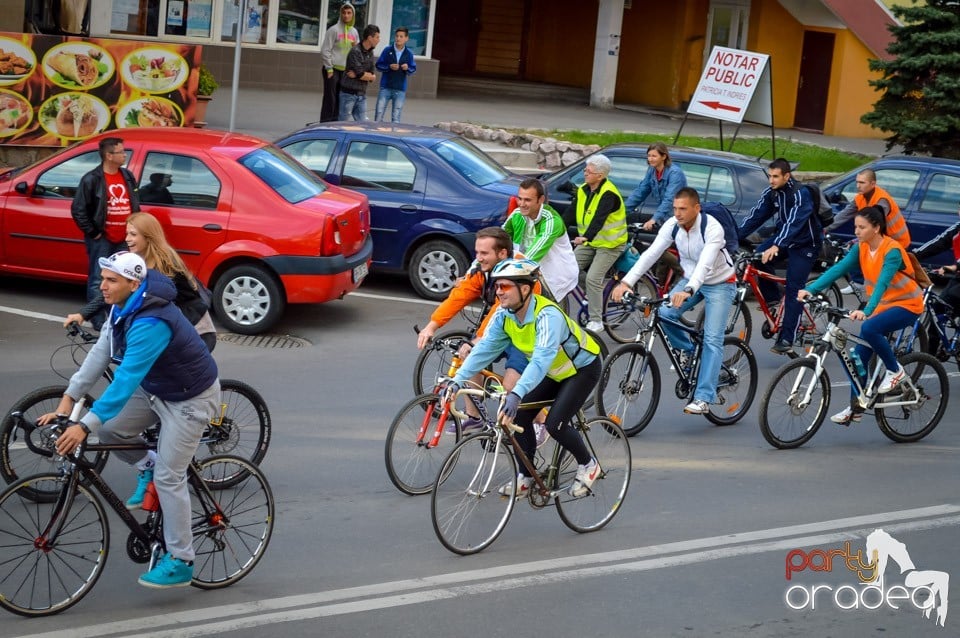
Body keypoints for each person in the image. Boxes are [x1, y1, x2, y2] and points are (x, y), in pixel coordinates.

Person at [40, 251, 220, 588]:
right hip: (157, 388)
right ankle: (147, 463)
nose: (102, 286)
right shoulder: (122, 306)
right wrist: (67, 401)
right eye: (103, 278)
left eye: (111, 280)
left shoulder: (152, 322)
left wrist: (82, 425)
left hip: (190, 398)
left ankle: (181, 559)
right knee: (109, 430)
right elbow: (100, 354)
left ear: (133, 283)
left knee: (170, 477)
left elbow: (124, 382)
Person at [445, 258, 602, 499]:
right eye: (497, 286)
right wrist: (457, 380)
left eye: (505, 286)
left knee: (555, 424)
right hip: (554, 372)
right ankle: (526, 476)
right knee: (518, 415)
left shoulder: (547, 315)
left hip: (582, 369)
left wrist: (517, 393)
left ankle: (589, 464)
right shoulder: (504, 314)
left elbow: (540, 360)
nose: (499, 292)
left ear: (525, 289)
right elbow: (485, 348)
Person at [611, 187, 736, 414]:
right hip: (690, 279)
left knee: (712, 340)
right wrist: (626, 283)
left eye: (683, 209)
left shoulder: (712, 228)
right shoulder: (672, 226)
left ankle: (704, 398)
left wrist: (688, 289)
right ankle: (687, 350)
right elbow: (651, 255)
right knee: (665, 314)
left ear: (696, 209)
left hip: (719, 283)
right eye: (675, 208)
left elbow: (706, 264)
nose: (677, 214)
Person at [799, 206, 923, 425]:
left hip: (907, 304)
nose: (856, 231)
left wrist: (866, 311)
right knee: (857, 358)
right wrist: (812, 289)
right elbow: (838, 270)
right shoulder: (861, 248)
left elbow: (883, 283)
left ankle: (895, 371)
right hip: (882, 306)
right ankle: (856, 407)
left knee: (869, 329)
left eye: (861, 227)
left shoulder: (891, 250)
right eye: (855, 226)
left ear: (876, 228)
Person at [416, 227, 537, 431]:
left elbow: (498, 312)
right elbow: (459, 297)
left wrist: (477, 341)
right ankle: (474, 415)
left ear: (502, 254)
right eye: (477, 252)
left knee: (510, 384)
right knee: (469, 357)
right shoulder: (483, 271)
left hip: (525, 333)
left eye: (484, 253)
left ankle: (539, 422)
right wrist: (431, 326)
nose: (478, 258)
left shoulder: (519, 275)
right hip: (502, 329)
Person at [65, 212, 216, 353]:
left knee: (162, 373)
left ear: (148, 237)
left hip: (197, 330)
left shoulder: (163, 265)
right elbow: (115, 289)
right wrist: (83, 314)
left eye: (133, 234)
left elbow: (134, 297)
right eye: (127, 234)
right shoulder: (138, 260)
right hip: (173, 326)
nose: (127, 239)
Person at [738, 157, 821, 355]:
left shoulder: (801, 194)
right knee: (757, 257)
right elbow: (755, 217)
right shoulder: (772, 194)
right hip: (784, 240)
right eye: (770, 176)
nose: (771, 180)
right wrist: (732, 238)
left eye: (775, 177)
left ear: (787, 175)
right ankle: (774, 301)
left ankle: (787, 337)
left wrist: (777, 244)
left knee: (794, 288)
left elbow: (794, 223)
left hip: (805, 244)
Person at [71, 137, 140, 330]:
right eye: (121, 152)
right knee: (98, 279)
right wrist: (93, 233)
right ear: (109, 156)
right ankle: (98, 320)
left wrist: (134, 229)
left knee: (123, 278)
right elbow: (79, 209)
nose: (125, 155)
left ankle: (118, 315)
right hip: (103, 239)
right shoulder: (92, 179)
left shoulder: (127, 175)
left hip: (124, 238)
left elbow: (134, 202)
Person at [826, 168, 911, 294]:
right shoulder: (860, 197)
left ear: (873, 184)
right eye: (857, 182)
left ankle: (863, 286)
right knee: (853, 250)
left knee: (857, 252)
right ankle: (860, 284)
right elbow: (844, 214)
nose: (858, 186)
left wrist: (856, 240)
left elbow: (875, 224)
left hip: (896, 241)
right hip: (879, 238)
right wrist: (825, 228)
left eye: (862, 183)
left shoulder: (882, 200)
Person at [569, 154, 628, 332]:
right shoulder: (584, 190)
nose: (585, 172)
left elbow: (599, 219)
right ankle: (592, 294)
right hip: (592, 242)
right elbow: (570, 213)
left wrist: (586, 236)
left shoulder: (609, 194)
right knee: (568, 268)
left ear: (600, 176)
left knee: (593, 278)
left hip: (611, 244)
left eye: (589, 170)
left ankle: (596, 321)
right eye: (585, 169)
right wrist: (558, 230)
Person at [502, 178, 578, 303]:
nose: (521, 204)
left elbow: (531, 256)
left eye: (527, 200)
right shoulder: (517, 215)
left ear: (541, 200)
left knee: (547, 319)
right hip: (529, 275)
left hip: (553, 279)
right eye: (520, 198)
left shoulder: (551, 220)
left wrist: (508, 271)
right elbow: (496, 241)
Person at [911, 202, 960, 353]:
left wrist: (955, 266)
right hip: (958, 279)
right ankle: (930, 357)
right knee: (938, 308)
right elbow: (938, 242)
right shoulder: (957, 228)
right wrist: (911, 257)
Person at [624, 142, 688, 231]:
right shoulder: (652, 170)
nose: (650, 159)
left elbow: (669, 199)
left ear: (664, 157)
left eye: (654, 156)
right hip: (664, 218)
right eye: (649, 156)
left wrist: (654, 219)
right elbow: (641, 191)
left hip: (678, 218)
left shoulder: (675, 173)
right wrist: (622, 211)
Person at [319, 2, 359, 122]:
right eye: (344, 13)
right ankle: (324, 125)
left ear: (353, 15)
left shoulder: (354, 32)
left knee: (341, 99)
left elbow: (357, 53)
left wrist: (355, 47)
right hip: (332, 70)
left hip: (346, 72)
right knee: (330, 99)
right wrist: (329, 68)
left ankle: (335, 125)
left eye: (349, 13)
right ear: (341, 14)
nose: (346, 15)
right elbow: (325, 50)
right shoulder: (333, 30)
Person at [374, 26, 417, 123]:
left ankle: (393, 135)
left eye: (401, 36)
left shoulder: (409, 53)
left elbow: (413, 69)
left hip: (400, 89)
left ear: (406, 38)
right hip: (385, 87)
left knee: (396, 117)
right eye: (397, 36)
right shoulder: (387, 50)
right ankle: (376, 134)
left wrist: (407, 68)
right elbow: (378, 65)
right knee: (379, 114)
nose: (398, 38)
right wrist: (389, 66)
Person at [339, 24, 380, 121]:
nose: (379, 40)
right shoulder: (355, 51)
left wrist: (363, 75)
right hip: (348, 94)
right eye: (377, 37)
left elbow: (372, 75)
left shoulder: (370, 53)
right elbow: (361, 74)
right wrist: (362, 75)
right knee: (343, 123)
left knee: (363, 124)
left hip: (361, 94)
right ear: (370, 38)